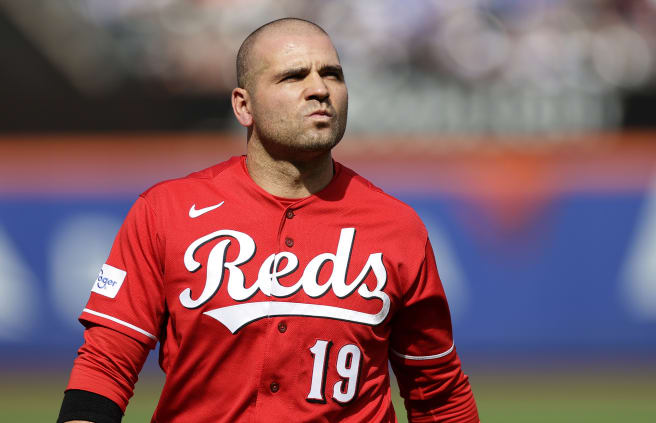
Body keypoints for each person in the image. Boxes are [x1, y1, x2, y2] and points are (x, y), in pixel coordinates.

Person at [58, 18, 479, 423]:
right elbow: (107, 362)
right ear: (244, 106)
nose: (319, 89)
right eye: (294, 77)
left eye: (332, 74)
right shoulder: (165, 210)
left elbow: (436, 388)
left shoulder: (397, 226)